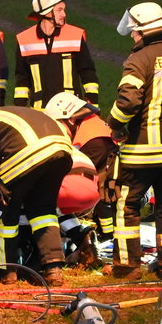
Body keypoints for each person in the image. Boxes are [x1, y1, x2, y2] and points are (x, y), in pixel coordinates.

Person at [106, 3, 162, 278]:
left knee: (127, 203)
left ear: (142, 32)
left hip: (142, 150)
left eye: (134, 32)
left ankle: (127, 265)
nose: (132, 37)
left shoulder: (139, 59)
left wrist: (115, 125)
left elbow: (129, 100)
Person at [0, 101, 74, 286]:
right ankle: (53, 267)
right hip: (62, 150)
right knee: (43, 210)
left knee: (5, 213)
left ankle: (7, 271)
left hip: (28, 154)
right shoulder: (4, 114)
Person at [44, 92, 118, 245]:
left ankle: (103, 237)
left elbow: (76, 174)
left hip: (110, 196)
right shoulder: (90, 126)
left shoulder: (92, 141)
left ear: (69, 118)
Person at [13, 0, 99, 110]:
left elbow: (87, 72)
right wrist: (20, 109)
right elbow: (22, 79)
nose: (64, 14)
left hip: (71, 110)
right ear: (47, 13)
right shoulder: (24, 40)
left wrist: (93, 104)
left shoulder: (75, 35)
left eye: (63, 9)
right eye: (59, 10)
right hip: (39, 112)